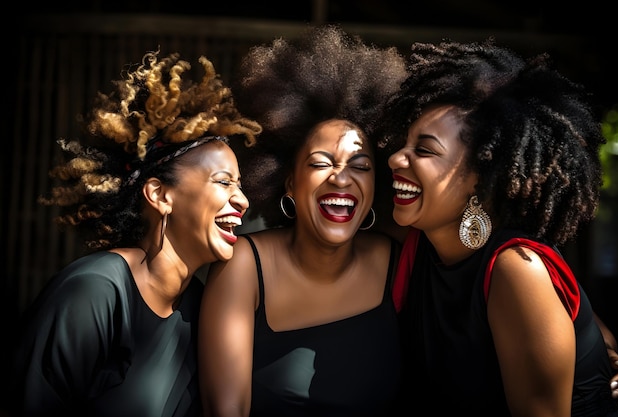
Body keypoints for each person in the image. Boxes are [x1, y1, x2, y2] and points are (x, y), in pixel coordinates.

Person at [1, 49, 261, 417]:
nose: (242, 200)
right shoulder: (95, 292)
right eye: (224, 182)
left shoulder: (204, 307)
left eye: (240, 185)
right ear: (160, 195)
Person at [379, 38, 618, 416]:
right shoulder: (418, 245)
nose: (396, 157)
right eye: (404, 143)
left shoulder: (516, 268)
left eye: (424, 150)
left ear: (480, 177)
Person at [197, 25, 408, 417]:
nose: (341, 178)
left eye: (360, 167)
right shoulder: (244, 266)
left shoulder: (397, 262)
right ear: (288, 182)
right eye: (321, 163)